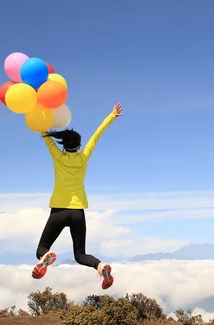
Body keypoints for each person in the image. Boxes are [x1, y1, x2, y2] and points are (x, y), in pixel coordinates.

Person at [31, 102, 123, 290]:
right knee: (80, 255)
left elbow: (45, 135)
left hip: (58, 211)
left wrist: (38, 114)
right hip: (78, 213)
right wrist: (111, 115)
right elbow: (97, 135)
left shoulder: (58, 157)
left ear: (63, 145)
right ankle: (100, 266)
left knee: (42, 248)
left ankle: (45, 257)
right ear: (79, 145)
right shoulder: (84, 157)